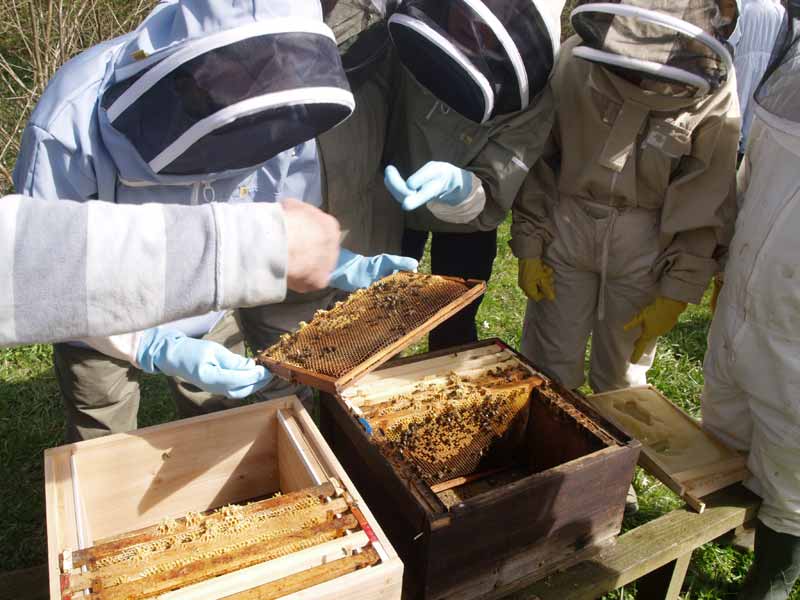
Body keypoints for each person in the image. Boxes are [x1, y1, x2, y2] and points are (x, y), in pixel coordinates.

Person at [13, 0, 415, 441]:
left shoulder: (281, 101)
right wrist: (149, 344)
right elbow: (44, 267)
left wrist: (326, 258)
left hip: (210, 290)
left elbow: (284, 202)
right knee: (100, 418)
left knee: (218, 411)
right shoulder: (67, 122)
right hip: (91, 301)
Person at [511, 0, 741, 394]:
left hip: (646, 241)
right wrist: (530, 242)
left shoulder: (711, 85)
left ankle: (611, 457)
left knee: (622, 381)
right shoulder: (575, 60)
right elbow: (540, 158)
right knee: (546, 367)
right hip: (568, 225)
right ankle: (545, 453)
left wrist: (677, 291)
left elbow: (708, 192)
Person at [381, 0, 563, 350]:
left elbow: (500, 178)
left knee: (455, 319)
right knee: (379, 313)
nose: (474, 23)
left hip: (468, 227)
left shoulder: (534, 96)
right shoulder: (401, 41)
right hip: (389, 202)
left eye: (493, 18)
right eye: (468, 7)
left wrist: (462, 190)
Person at [703, 4, 800, 596]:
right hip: (742, 292)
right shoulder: (791, 56)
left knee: (792, 459)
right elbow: (752, 168)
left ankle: (773, 576)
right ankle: (723, 529)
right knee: (725, 424)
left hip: (795, 326)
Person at [0, 195, 340, 347]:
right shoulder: (67, 122)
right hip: (89, 332)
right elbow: (41, 257)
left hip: (200, 305)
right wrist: (257, 246)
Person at [729, 0, 785, 154]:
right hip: (767, 64)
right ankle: (747, 145)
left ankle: (732, 142)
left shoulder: (746, 7)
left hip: (744, 60)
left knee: (739, 101)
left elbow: (733, 39)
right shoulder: (780, 11)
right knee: (755, 106)